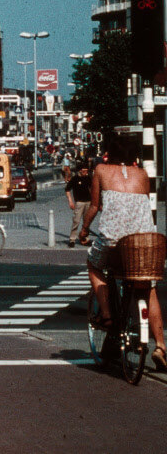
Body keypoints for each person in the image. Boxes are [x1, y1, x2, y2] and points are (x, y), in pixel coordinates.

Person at [80, 134, 166, 370]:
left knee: (94, 265)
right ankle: (161, 346)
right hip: (142, 242)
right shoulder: (143, 175)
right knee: (147, 288)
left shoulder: (100, 169)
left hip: (112, 241)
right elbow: (142, 205)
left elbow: (96, 206)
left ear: (110, 153)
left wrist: (84, 230)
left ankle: (107, 315)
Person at [64, 161, 92, 248]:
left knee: (86, 222)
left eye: (87, 171)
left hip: (88, 202)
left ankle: (85, 238)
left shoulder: (89, 178)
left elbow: (92, 188)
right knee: (76, 221)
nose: (85, 173)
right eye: (84, 171)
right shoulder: (75, 179)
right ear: (80, 171)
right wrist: (70, 201)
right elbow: (67, 189)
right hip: (79, 202)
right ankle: (72, 239)